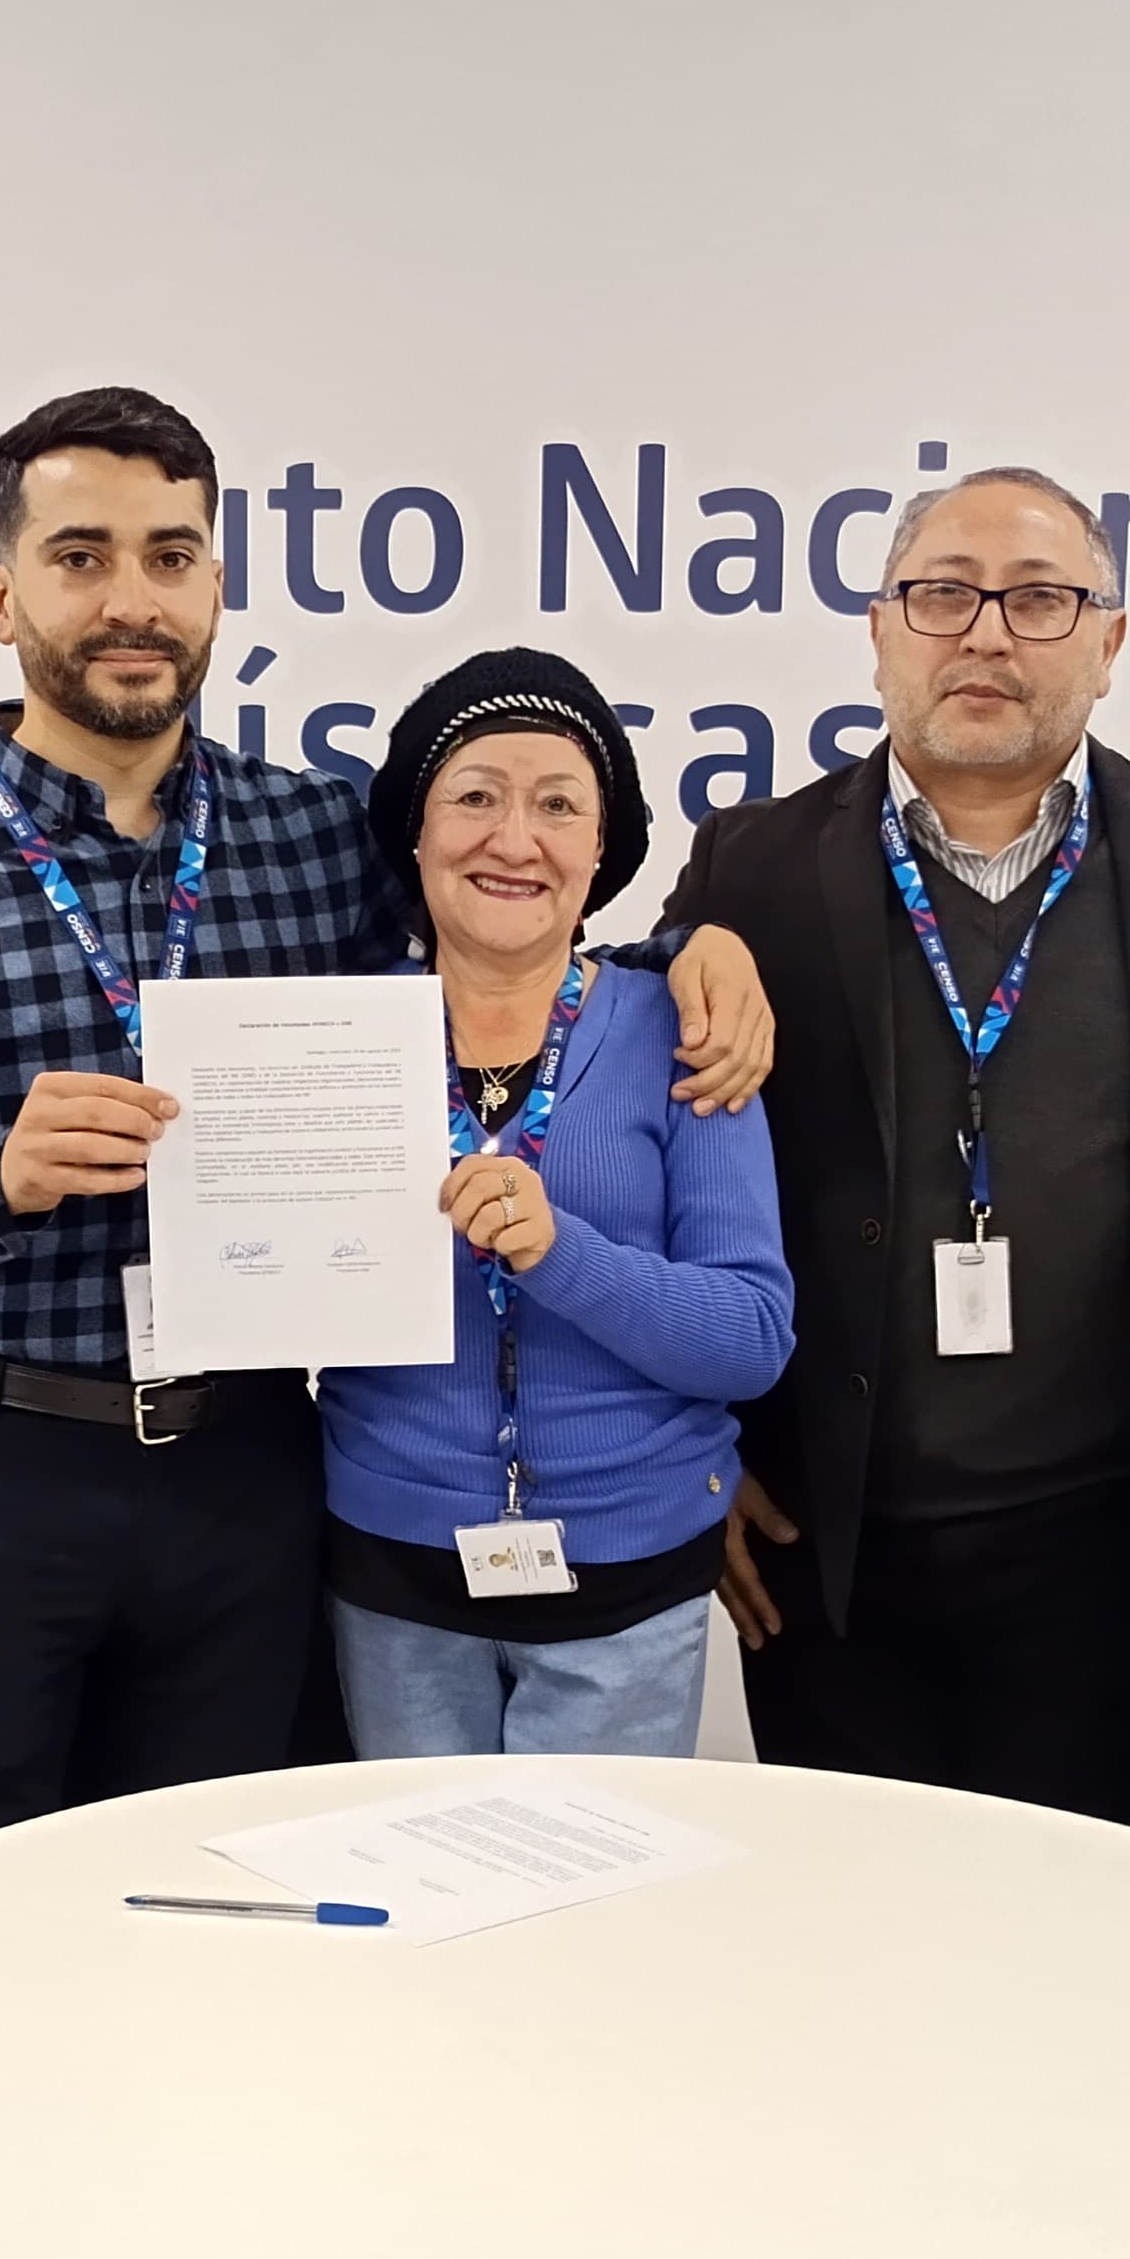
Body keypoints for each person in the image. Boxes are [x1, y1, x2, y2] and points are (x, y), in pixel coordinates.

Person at [0, 386, 775, 2259]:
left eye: (172, 556)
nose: (132, 600)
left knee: (223, 1950)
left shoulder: (316, 841)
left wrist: (706, 947)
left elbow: (534, 906)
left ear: (218, 585)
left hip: (242, 1471)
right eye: (84, 555)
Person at [669, 465, 1130, 1822]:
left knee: (1078, 1919)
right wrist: (692, 1458)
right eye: (944, 595)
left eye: (1037, 599)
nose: (985, 634)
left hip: (1114, 1545)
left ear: (1109, 643)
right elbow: (652, 1163)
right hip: (828, 1546)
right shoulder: (750, 871)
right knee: (857, 1910)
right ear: (881, 629)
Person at [320, 651, 794, 1754]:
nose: (514, 839)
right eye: (475, 797)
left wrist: (560, 1253)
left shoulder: (689, 1034)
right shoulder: (334, 1038)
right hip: (390, 1571)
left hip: (630, 1578)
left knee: (588, 1868)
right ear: (417, 834)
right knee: (414, 1859)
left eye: (558, 806)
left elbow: (750, 1339)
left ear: (601, 849)